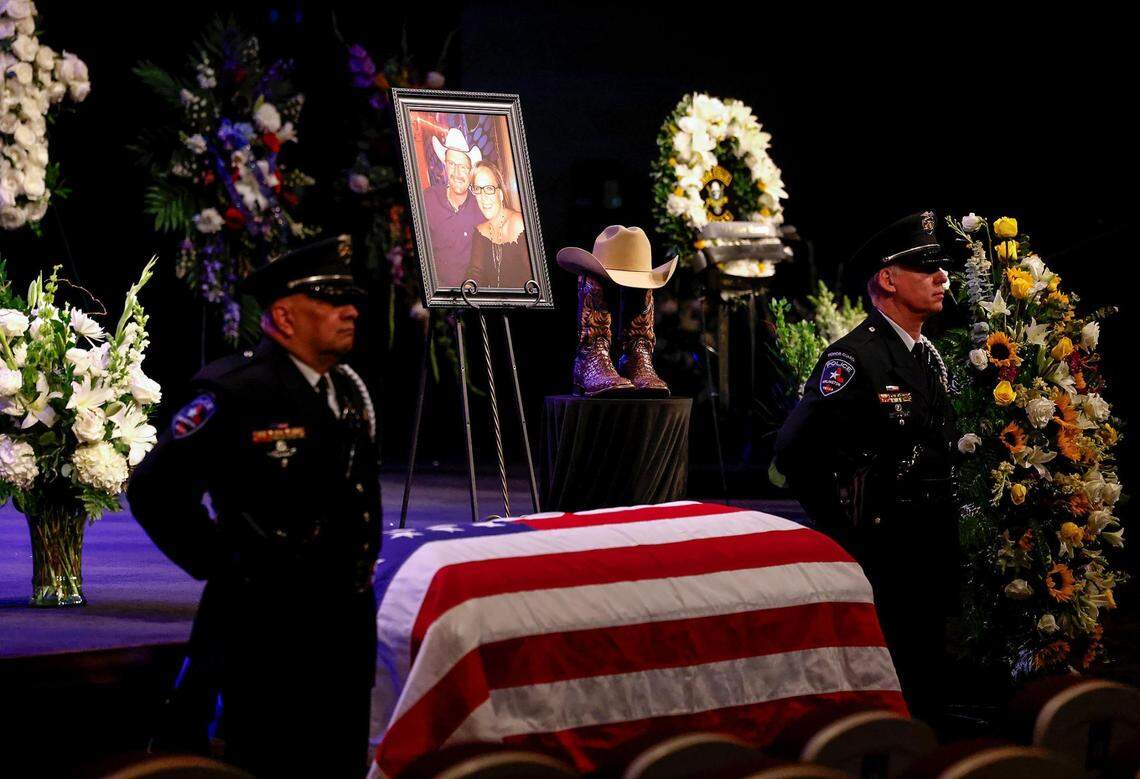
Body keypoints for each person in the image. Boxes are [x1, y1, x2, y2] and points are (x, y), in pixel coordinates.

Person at [127, 236, 383, 777]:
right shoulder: (236, 392)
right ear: (285, 317)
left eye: (350, 298)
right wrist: (229, 566)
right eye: (332, 300)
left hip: (343, 631)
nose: (351, 310)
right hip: (268, 633)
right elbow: (156, 489)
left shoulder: (348, 390)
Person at [774, 211, 958, 721]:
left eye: (941, 267)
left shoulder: (928, 355)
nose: (943, 277)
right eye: (926, 267)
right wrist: (844, 527)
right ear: (888, 278)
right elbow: (793, 452)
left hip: (930, 544)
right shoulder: (854, 360)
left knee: (928, 679)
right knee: (895, 687)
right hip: (884, 551)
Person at [424, 126, 484, 287]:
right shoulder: (427, 199)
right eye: (451, 163)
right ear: (445, 165)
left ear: (471, 171)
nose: (457, 172)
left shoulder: (482, 207)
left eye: (463, 166)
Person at [465, 160, 532, 288]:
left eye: (489, 188)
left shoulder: (519, 224)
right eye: (478, 189)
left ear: (500, 193)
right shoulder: (480, 232)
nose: (483, 197)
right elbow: (475, 272)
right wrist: (468, 288)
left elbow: (536, 280)